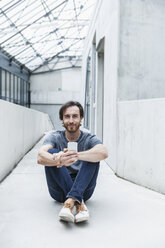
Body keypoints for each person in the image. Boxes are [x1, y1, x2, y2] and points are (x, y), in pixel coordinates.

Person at [37, 101, 108, 223]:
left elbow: (103, 152)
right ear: (62, 119)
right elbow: (40, 156)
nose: (71, 120)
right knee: (52, 152)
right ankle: (79, 203)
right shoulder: (54, 136)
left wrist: (76, 156)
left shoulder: (89, 138)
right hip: (58, 191)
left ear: (81, 118)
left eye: (75, 116)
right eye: (67, 116)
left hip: (85, 189)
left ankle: (69, 202)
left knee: (93, 154)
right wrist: (59, 158)